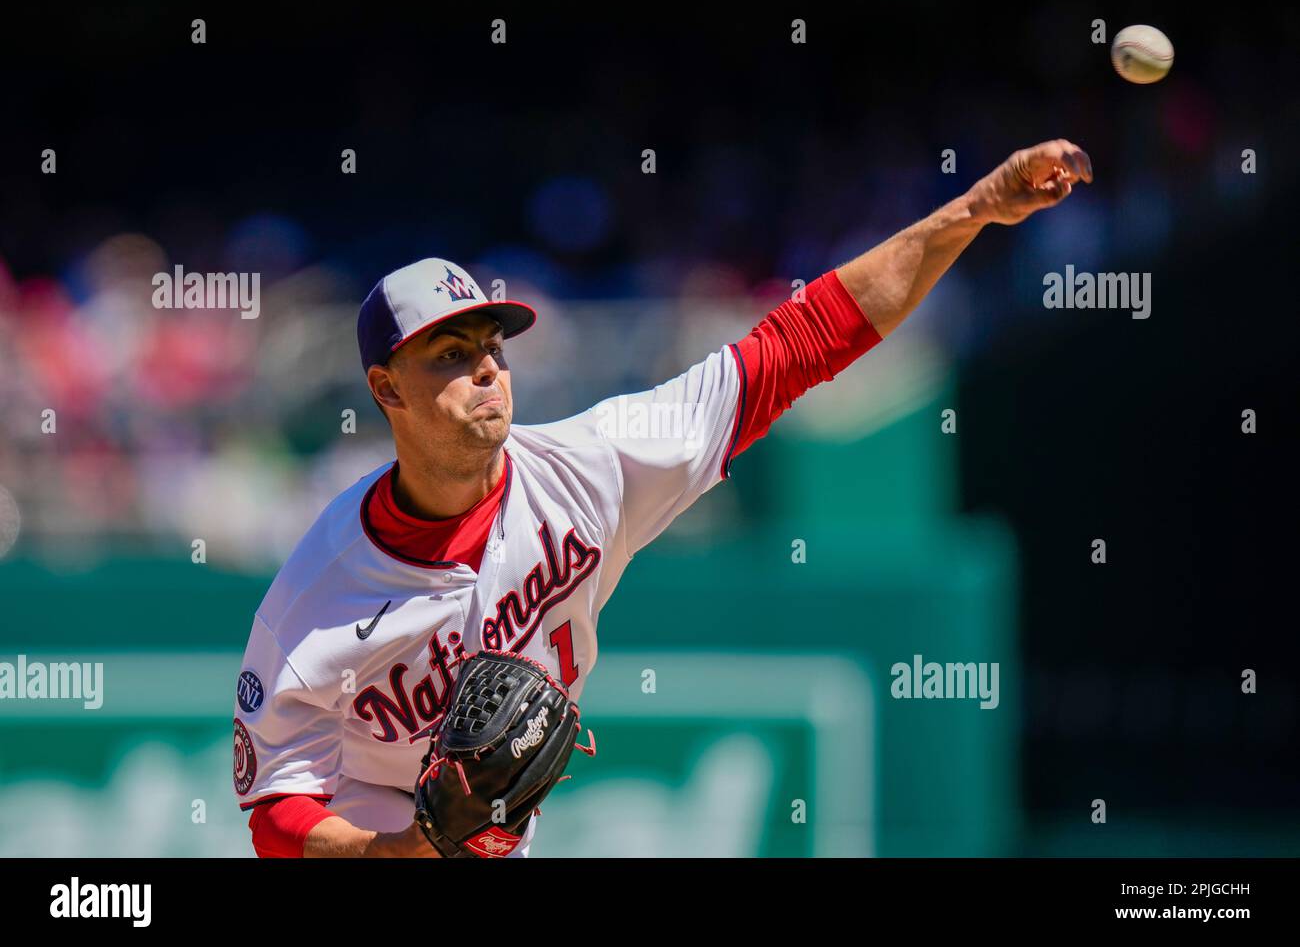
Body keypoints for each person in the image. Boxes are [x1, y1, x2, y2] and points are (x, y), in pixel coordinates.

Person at [232, 140, 1092, 857]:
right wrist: (410, 845)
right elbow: (276, 814)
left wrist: (971, 211)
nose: (486, 366)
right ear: (386, 388)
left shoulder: (592, 466)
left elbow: (799, 343)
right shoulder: (320, 591)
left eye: (490, 342)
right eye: (448, 353)